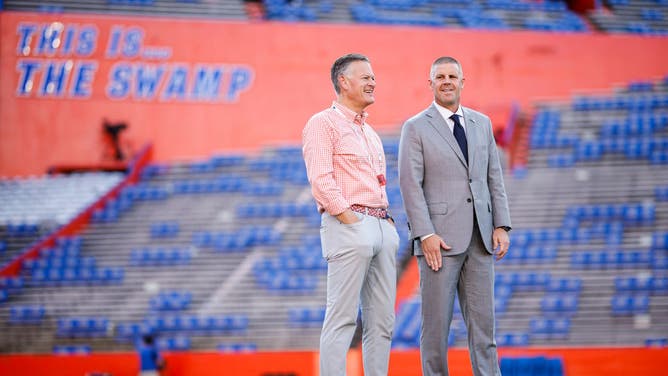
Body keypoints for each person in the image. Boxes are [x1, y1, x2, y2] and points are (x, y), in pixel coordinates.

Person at [398, 56, 511, 376]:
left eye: (452, 76)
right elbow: (409, 184)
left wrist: (501, 224)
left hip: (481, 238)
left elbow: (494, 178)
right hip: (439, 243)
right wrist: (425, 234)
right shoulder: (415, 127)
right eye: (440, 76)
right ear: (430, 83)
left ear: (463, 82)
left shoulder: (482, 123)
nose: (446, 81)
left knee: (484, 330)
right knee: (435, 330)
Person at [302, 53, 400, 376]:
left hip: (381, 225)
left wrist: (385, 224)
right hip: (350, 224)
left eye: (373, 77)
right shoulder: (322, 123)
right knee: (342, 318)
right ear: (344, 82)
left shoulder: (371, 134)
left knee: (382, 323)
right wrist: (350, 220)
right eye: (366, 77)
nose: (373, 82)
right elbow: (321, 180)